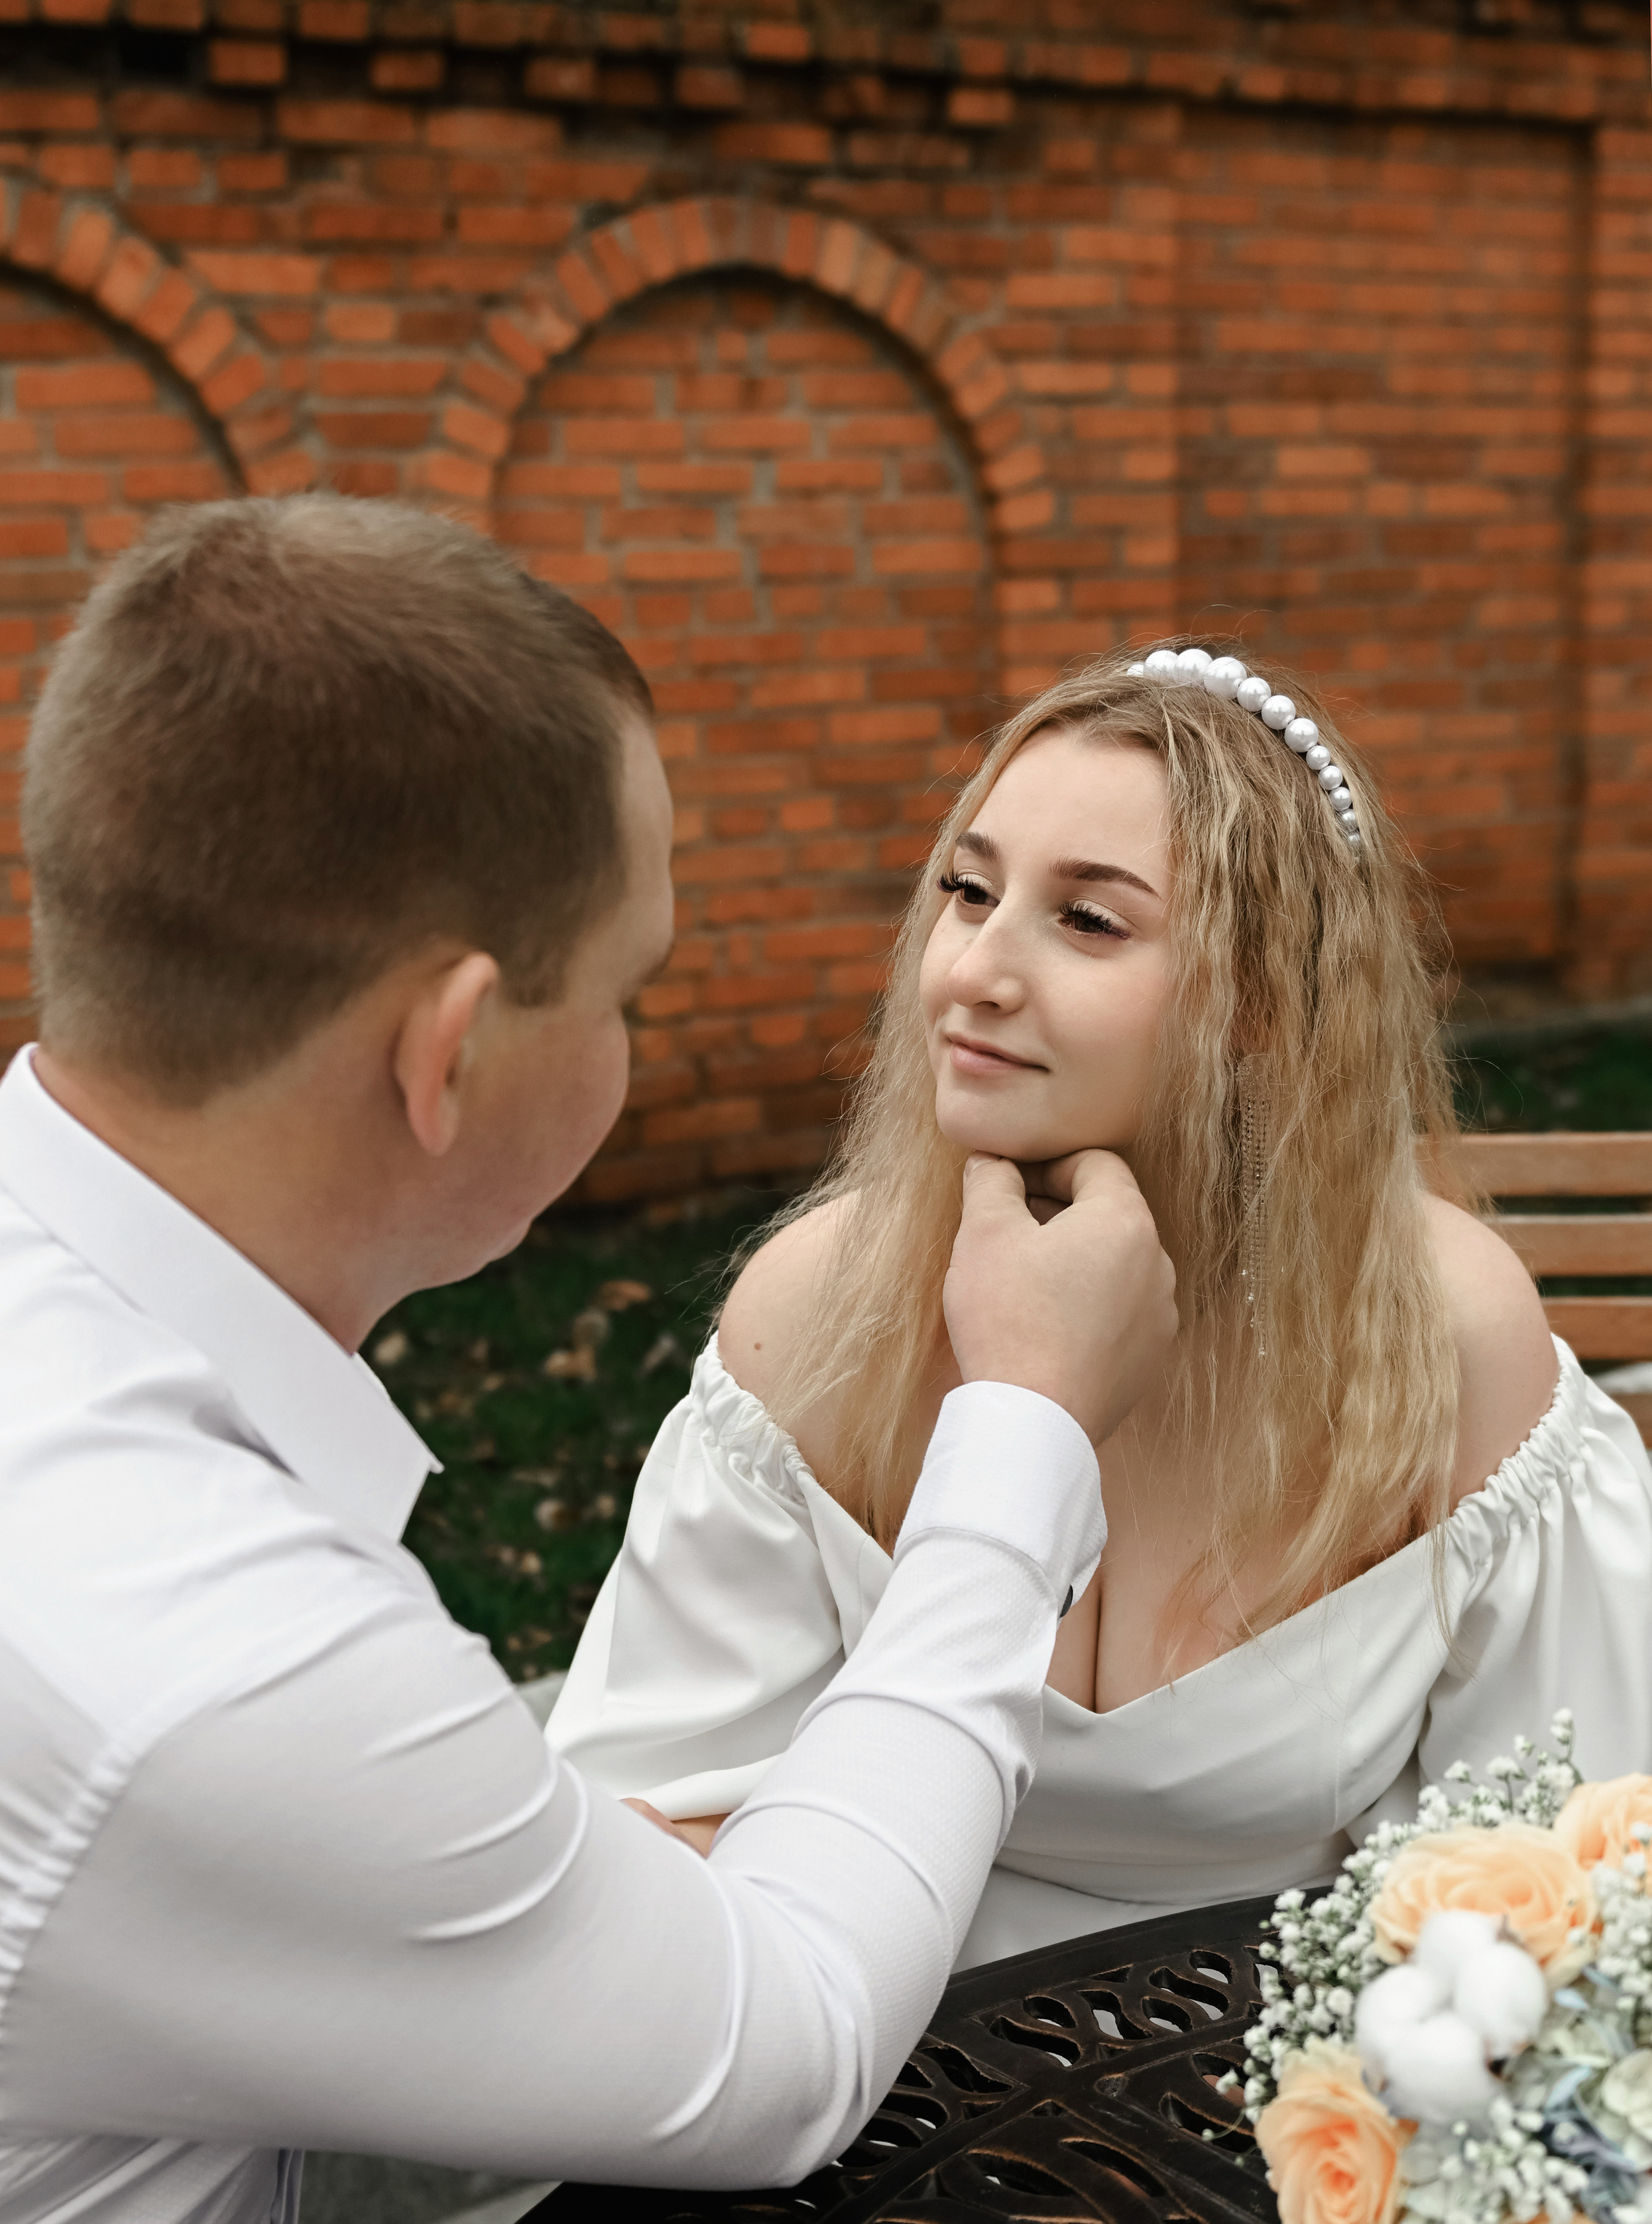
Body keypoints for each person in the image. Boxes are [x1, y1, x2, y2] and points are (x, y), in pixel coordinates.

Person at [0, 500, 1182, 2224]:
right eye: (630, 993)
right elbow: (785, 2041)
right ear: (448, 1053)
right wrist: (1028, 1431)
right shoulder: (200, 1654)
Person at [550, 644, 1652, 1966]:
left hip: (1300, 2067)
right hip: (870, 2057)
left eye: (1086, 920)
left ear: (1261, 1004)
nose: (973, 971)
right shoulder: (817, 1312)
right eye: (969, 891)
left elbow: (1552, 1887)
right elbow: (644, 1838)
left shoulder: (1436, 1335)